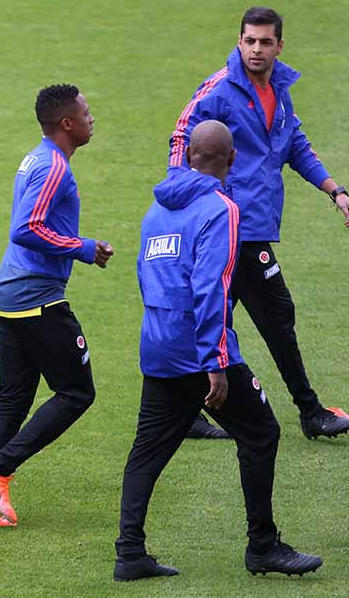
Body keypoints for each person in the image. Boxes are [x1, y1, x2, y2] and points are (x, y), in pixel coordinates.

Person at [114, 120, 322, 581]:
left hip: (159, 346)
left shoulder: (155, 212)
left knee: (146, 452)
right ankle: (263, 547)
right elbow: (210, 288)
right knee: (262, 432)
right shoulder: (221, 209)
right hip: (201, 350)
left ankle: (129, 553)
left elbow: (146, 277)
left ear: (188, 157)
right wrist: (215, 363)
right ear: (231, 161)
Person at [170, 7, 349, 441]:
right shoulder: (220, 89)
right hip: (231, 229)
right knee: (276, 316)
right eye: (249, 40)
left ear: (279, 46)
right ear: (239, 41)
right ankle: (311, 413)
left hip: (255, 225)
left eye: (265, 41)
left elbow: (295, 147)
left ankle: (183, 410)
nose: (256, 48)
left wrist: (335, 191)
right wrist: (188, 199)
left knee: (214, 314)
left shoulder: (280, 91)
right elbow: (181, 136)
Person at [0, 84, 111, 528]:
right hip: (35, 296)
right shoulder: (54, 168)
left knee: (14, 397)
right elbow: (27, 228)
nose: (91, 118)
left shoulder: (37, 158)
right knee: (77, 392)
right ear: (67, 124)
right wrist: (83, 247)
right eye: (85, 112)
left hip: (10, 295)